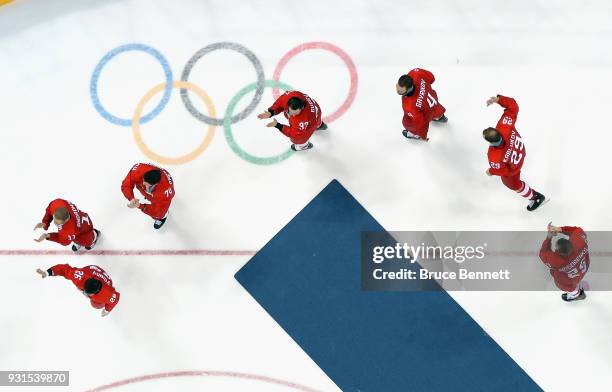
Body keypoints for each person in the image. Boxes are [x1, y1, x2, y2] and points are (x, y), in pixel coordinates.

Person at [483, 95, 545, 211]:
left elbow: (504, 170)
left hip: (513, 169)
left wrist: (491, 171)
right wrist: (498, 99)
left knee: (514, 185)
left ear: (490, 142)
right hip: (520, 152)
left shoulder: (494, 156)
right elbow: (513, 106)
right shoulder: (504, 126)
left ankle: (535, 197)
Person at [36, 264, 120, 316]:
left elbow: (115, 298)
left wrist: (107, 310)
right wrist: (47, 272)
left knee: (96, 305)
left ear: (96, 292)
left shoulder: (107, 294)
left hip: (107, 282)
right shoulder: (80, 277)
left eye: (88, 293)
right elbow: (64, 269)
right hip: (91, 270)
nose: (85, 294)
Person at [257, 90, 326, 151]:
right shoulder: (290, 96)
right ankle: (320, 125)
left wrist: (278, 125)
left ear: (301, 108)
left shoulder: (301, 120)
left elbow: (293, 134)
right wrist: (271, 112)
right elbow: (280, 102)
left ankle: (303, 146)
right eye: (291, 111)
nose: (293, 115)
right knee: (316, 120)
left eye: (295, 113)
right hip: (316, 111)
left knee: (298, 138)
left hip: (312, 120)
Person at [539, 222, 589, 302]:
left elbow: (543, 253)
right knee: (576, 279)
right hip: (583, 268)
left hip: (568, 280)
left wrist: (549, 237)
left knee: (569, 287)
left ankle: (576, 295)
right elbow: (576, 230)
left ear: (558, 251)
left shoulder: (555, 260)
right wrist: (559, 229)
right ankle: (577, 288)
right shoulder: (579, 241)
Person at [396, 68, 447, 141]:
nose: (397, 90)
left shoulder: (410, 106)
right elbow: (431, 77)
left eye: (400, 91)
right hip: (435, 103)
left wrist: (423, 136)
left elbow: (421, 124)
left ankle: (415, 135)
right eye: (397, 86)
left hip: (427, 113)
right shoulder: (416, 73)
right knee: (436, 109)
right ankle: (440, 117)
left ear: (409, 89)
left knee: (406, 122)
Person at [121, 163, 174, 229]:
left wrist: (140, 206)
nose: (144, 184)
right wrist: (131, 198)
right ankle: (148, 194)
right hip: (152, 191)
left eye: (148, 185)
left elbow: (158, 212)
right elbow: (126, 185)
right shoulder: (138, 170)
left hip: (160, 196)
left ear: (156, 184)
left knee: (160, 214)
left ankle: (163, 217)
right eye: (144, 181)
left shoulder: (165, 192)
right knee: (145, 190)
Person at [34, 199, 100, 252]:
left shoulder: (70, 230)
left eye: (58, 223)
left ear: (66, 221)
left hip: (84, 230)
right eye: (54, 219)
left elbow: (63, 241)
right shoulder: (57, 203)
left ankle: (95, 234)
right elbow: (49, 210)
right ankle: (77, 240)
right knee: (74, 237)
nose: (55, 223)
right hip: (81, 219)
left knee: (87, 243)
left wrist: (47, 236)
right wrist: (45, 223)